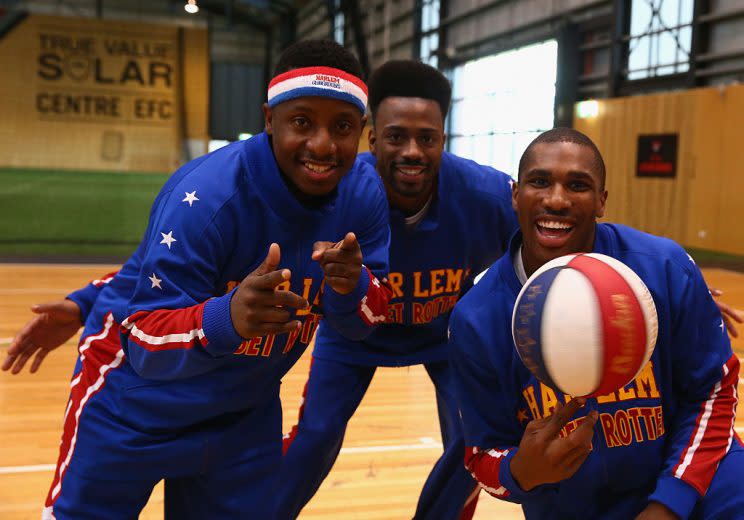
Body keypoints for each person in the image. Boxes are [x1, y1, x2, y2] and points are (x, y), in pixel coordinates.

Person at [19, 39, 394, 520]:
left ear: (362, 133)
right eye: (302, 122)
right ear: (268, 119)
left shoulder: (363, 197)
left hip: (242, 416)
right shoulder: (207, 194)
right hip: (133, 405)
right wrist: (227, 317)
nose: (322, 144)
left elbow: (369, 318)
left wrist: (353, 287)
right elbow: (144, 337)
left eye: (341, 127)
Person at [449, 127, 743, 519]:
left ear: (601, 201)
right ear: (516, 196)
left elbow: (714, 390)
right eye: (539, 182)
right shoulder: (476, 318)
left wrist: (668, 505)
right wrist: (520, 471)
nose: (556, 199)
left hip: (696, 482)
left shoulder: (664, 267)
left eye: (578, 185)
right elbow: (481, 454)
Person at [277, 60, 518, 520]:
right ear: (372, 138)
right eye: (396, 136)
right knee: (316, 437)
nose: (412, 150)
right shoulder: (338, 189)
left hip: (445, 335)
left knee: (476, 436)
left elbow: (554, 233)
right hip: (353, 333)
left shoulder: (485, 195)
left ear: (443, 140)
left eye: (426, 138)